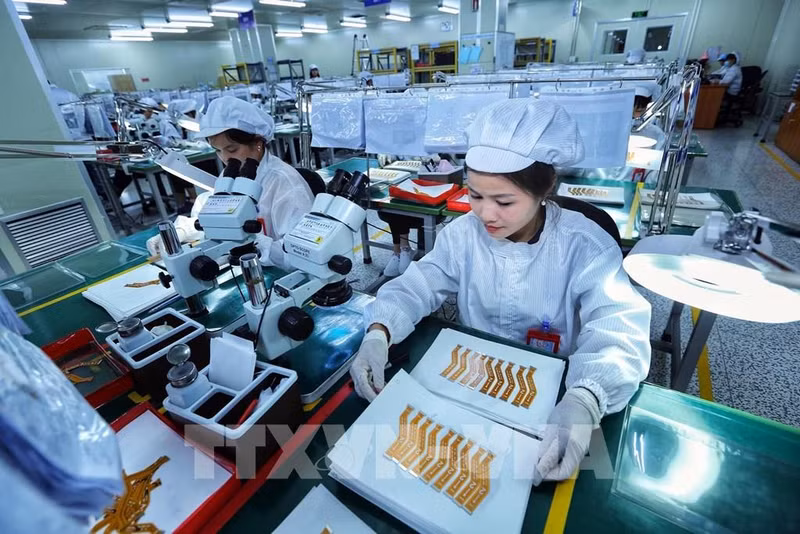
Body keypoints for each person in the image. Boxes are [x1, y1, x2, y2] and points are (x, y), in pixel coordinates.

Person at [350, 99, 652, 484]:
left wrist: (586, 398)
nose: (485, 214)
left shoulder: (585, 246)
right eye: (475, 195)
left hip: (550, 399)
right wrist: (379, 332)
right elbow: (419, 284)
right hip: (468, 384)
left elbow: (618, 328)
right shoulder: (462, 235)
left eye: (504, 201)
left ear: (545, 190)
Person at [146, 96, 314, 269]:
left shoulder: (285, 184)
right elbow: (214, 218)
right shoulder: (233, 174)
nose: (225, 158)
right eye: (218, 151)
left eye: (232, 149)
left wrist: (253, 245)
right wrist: (181, 232)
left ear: (258, 144)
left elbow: (301, 252)